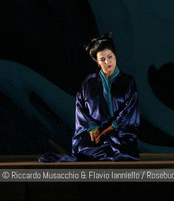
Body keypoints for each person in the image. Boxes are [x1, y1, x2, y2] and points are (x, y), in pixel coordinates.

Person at [38, 32, 140, 162]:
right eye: (102, 59)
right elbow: (80, 107)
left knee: (117, 150)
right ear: (97, 62)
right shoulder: (88, 82)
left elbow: (130, 111)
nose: (107, 61)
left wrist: (111, 128)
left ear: (115, 56)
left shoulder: (128, 82)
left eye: (110, 56)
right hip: (93, 135)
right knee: (85, 148)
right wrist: (92, 128)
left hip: (119, 134)